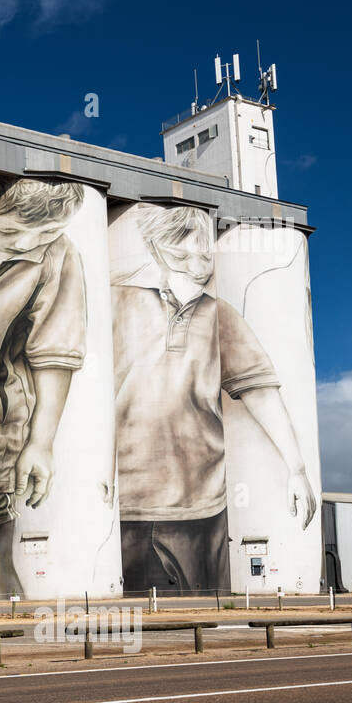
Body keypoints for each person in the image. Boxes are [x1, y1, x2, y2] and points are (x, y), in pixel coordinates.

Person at [111, 204, 316, 595]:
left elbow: (261, 393)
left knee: (204, 610)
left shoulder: (220, 315)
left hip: (202, 504)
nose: (195, 265)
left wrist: (297, 468)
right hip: (126, 501)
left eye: (204, 255)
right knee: (124, 612)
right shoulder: (117, 301)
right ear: (156, 250)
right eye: (180, 255)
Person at [0, 177, 87, 597]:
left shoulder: (58, 255)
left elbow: (55, 350)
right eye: (10, 232)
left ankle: (0, 632)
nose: (26, 244)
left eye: (46, 233)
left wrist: (42, 443)